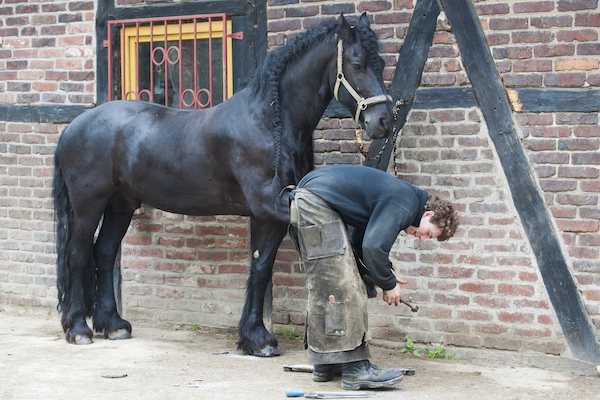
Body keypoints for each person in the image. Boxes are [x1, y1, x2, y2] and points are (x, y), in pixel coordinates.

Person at [287, 164, 459, 390]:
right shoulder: (405, 204)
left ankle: (326, 362)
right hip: (315, 202)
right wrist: (388, 284)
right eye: (428, 233)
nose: (422, 238)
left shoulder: (402, 198)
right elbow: (373, 247)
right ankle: (355, 369)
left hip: (311, 199)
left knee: (328, 286)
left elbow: (362, 241)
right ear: (428, 214)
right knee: (347, 287)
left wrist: (384, 271)